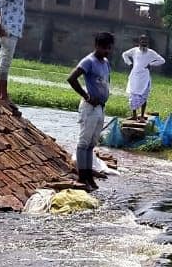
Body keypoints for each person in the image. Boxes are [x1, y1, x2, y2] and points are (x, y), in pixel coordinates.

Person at [66, 32, 114, 192]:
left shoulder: (106, 62)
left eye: (108, 48)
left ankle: (88, 176)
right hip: (90, 107)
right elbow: (72, 78)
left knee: (92, 143)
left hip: (100, 107)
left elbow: (106, 83)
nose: (106, 51)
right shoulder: (89, 61)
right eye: (104, 48)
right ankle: (82, 176)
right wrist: (86, 95)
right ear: (97, 46)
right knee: (84, 142)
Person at [122, 35, 166, 119]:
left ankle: (142, 116)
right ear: (139, 42)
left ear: (147, 43)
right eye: (142, 41)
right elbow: (124, 54)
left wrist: (151, 64)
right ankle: (134, 115)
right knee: (133, 95)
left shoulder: (151, 52)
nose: (144, 43)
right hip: (134, 76)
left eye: (145, 41)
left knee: (143, 96)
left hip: (145, 77)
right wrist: (129, 63)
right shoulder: (134, 50)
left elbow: (162, 60)